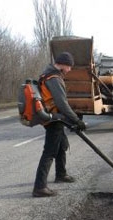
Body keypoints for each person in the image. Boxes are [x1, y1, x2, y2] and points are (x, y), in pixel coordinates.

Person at [32, 52, 86, 198]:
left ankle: (61, 174)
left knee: (62, 145)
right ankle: (40, 187)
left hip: (56, 117)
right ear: (62, 64)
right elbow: (62, 103)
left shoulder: (48, 74)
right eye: (69, 67)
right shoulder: (54, 78)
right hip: (53, 119)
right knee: (49, 152)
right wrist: (76, 120)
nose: (69, 70)